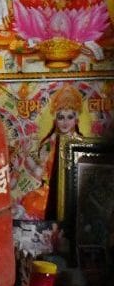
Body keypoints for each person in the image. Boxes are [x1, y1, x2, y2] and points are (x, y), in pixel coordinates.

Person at [21, 84, 85, 220]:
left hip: (75, 194)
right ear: (56, 120)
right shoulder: (49, 144)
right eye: (61, 117)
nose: (65, 122)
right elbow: (41, 173)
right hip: (50, 194)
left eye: (70, 117)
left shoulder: (82, 143)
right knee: (32, 205)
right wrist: (26, 156)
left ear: (76, 120)